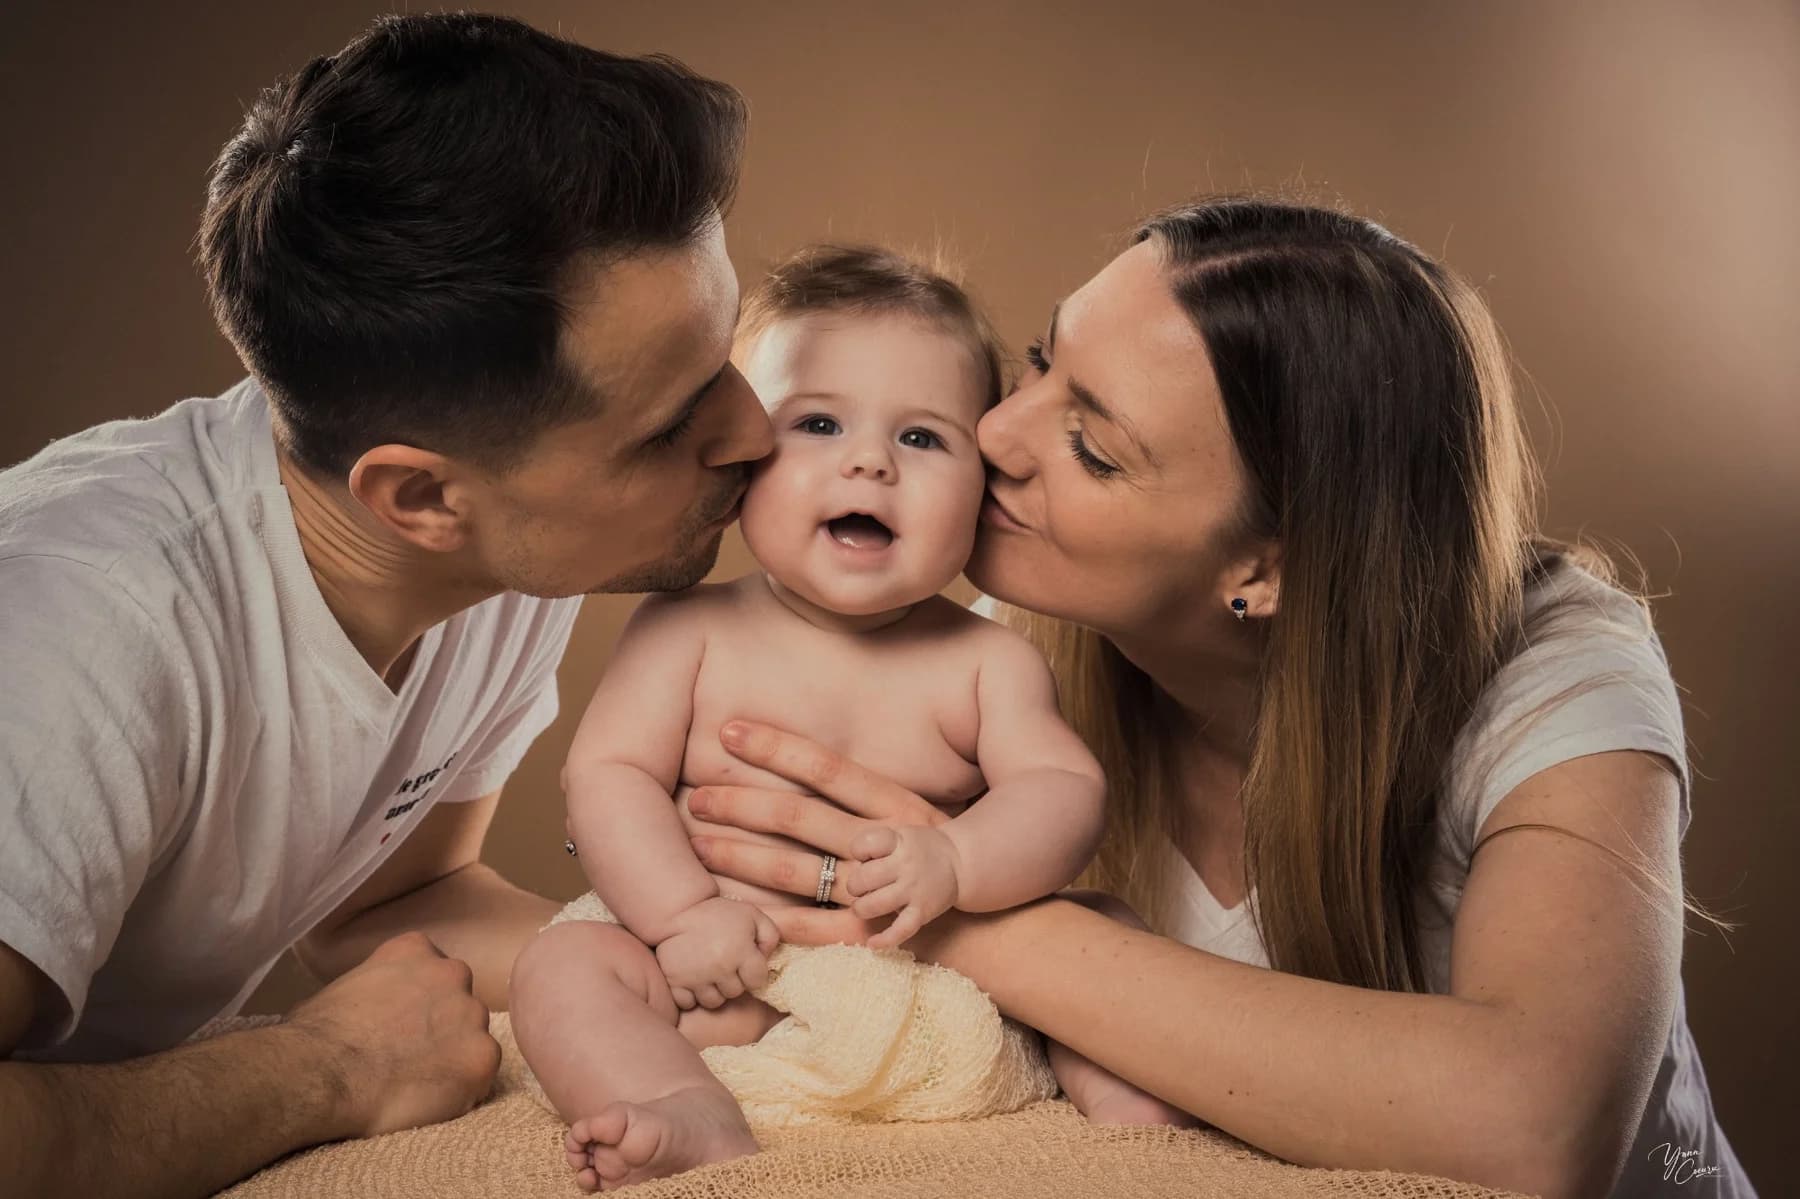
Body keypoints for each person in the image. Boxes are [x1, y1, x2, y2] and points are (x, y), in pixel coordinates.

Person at [679, 199, 1758, 1198]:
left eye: (1093, 448)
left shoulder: (1562, 670)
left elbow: (1538, 1126)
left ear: (1266, 568)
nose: (997, 433)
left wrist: (965, 915)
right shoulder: (1011, 655)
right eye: (1041, 361)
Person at [0, 14, 771, 1198]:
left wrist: (726, 950)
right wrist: (327, 1065)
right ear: (421, 496)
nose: (753, 433)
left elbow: (395, 898)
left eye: (726, 354)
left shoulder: (496, 544)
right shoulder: (75, 638)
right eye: (670, 425)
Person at [511, 246, 1192, 1192]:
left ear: (981, 492)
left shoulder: (988, 659)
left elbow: (1064, 791)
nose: (869, 459)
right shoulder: (685, 628)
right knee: (564, 967)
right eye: (820, 423)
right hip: (729, 971)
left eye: (923, 438)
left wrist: (957, 861)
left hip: (923, 972)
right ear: (746, 459)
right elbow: (606, 776)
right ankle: (680, 1101)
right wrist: (682, 915)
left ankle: (1124, 1102)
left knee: (1106, 926)